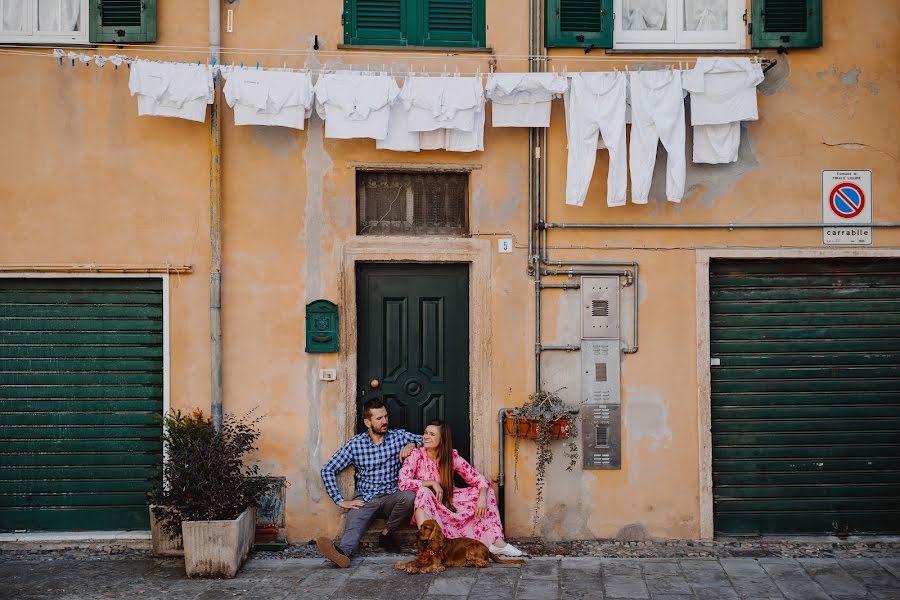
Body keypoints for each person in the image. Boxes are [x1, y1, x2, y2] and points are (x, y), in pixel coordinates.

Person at [316, 398, 422, 567]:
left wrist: (413, 443)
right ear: (367, 422)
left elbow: (429, 439)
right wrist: (340, 500)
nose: (385, 421)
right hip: (365, 497)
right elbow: (327, 469)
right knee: (354, 522)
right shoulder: (355, 444)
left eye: (386, 417)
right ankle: (343, 554)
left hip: (392, 494)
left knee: (410, 497)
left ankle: (387, 534)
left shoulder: (398, 436)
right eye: (379, 418)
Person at [398, 420, 525, 557]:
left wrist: (481, 498)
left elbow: (479, 479)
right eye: (426, 433)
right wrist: (431, 483)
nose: (426, 437)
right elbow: (403, 482)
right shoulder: (416, 455)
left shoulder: (451, 457)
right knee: (423, 492)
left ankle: (497, 543)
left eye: (432, 434)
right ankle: (429, 548)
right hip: (428, 506)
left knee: (484, 491)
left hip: (448, 502)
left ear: (442, 439)